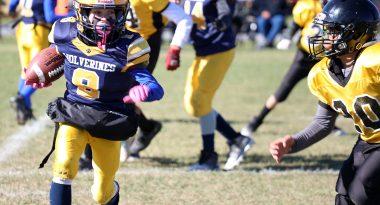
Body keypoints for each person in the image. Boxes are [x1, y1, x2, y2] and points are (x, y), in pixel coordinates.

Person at [35, 0, 164, 204]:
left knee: (101, 194)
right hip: (74, 112)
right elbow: (55, 56)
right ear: (82, 12)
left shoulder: (130, 45)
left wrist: (146, 91)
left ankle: (112, 191)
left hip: (109, 119)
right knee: (63, 166)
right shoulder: (65, 32)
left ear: (121, 13)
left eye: (110, 12)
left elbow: (157, 89)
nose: (104, 18)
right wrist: (42, 75)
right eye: (97, 11)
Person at [269, 0, 380, 204]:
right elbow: (323, 123)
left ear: (356, 33)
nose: (323, 37)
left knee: (362, 193)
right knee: (344, 193)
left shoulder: (379, 60)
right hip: (370, 140)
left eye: (331, 31)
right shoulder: (322, 73)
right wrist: (294, 142)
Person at [78, 0, 193, 166]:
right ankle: (147, 127)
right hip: (112, 41)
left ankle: (89, 156)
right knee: (107, 92)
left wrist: (175, 48)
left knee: (113, 94)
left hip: (141, 45)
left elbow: (183, 19)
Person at [241, 0, 347, 138]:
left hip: (325, 58)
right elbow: (295, 25)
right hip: (304, 55)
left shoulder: (336, 8)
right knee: (283, 89)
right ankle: (256, 121)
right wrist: (287, 37)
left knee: (327, 92)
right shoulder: (306, 6)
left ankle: (330, 125)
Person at [181, 0, 255, 171]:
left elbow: (225, 11)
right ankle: (237, 139)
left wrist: (222, 21)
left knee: (200, 100)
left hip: (219, 50)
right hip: (202, 53)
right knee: (193, 106)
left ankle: (209, 157)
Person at [8, 0, 72, 125]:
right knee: (38, 71)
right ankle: (21, 98)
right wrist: (72, 15)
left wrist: (12, 11)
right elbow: (49, 17)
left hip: (22, 30)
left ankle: (25, 110)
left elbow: (12, 5)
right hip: (37, 32)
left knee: (26, 70)